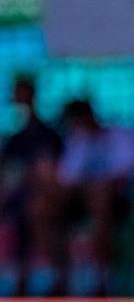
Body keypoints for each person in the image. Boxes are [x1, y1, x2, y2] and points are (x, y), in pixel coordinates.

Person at [0, 74, 64, 297]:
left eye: (20, 92)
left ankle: (50, 278)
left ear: (31, 94)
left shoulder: (47, 135)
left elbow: (52, 176)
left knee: (32, 210)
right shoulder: (15, 138)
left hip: (41, 198)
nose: (16, 97)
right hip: (14, 195)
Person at [48, 99, 133, 297]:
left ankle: (103, 280)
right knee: (42, 207)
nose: (74, 124)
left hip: (119, 202)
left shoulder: (118, 135)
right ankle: (60, 280)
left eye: (76, 119)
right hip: (81, 201)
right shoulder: (78, 140)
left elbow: (122, 174)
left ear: (88, 115)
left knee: (99, 193)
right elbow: (66, 178)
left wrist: (94, 183)